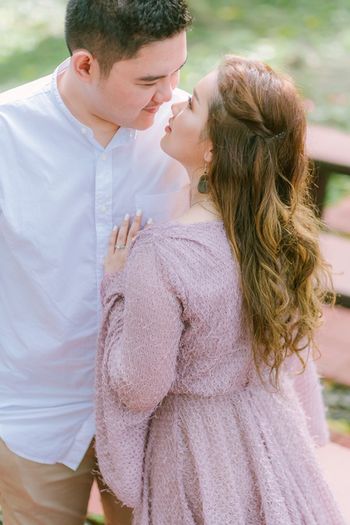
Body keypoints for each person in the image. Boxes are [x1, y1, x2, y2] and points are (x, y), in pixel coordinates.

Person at [96, 55, 346, 524]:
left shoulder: (162, 254)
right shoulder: (281, 238)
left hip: (196, 454)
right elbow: (292, 355)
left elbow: (138, 386)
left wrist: (116, 289)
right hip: (273, 438)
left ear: (212, 149)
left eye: (192, 104)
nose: (174, 103)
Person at [0, 1, 192, 524]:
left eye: (178, 71)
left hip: (157, 414)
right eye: (150, 79)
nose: (168, 93)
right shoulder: (7, 134)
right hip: (32, 415)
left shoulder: (190, 128)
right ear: (86, 64)